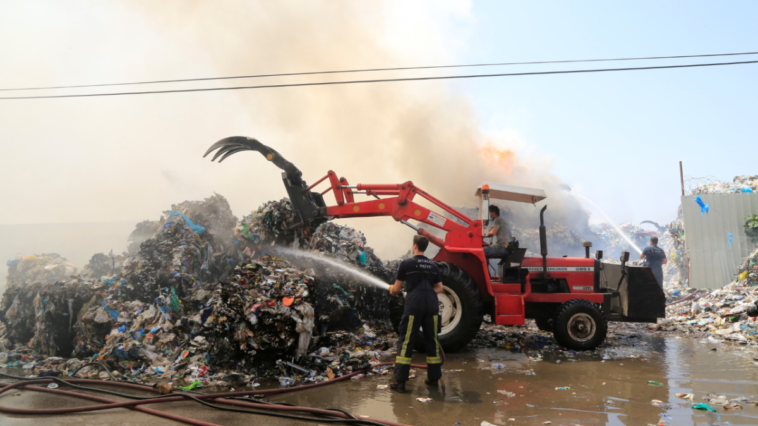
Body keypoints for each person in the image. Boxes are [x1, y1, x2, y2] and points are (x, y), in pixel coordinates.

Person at [388, 235, 444, 393]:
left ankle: (400, 382)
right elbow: (440, 288)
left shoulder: (407, 263)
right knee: (432, 341)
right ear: (425, 247)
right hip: (432, 305)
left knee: (406, 341)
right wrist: (426, 293)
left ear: (414, 246)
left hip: (414, 306)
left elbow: (396, 290)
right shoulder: (433, 265)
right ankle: (433, 379)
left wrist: (394, 291)